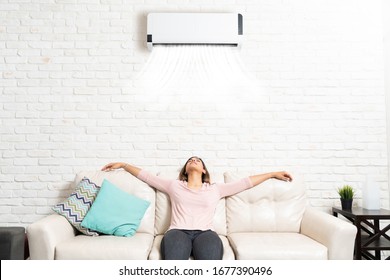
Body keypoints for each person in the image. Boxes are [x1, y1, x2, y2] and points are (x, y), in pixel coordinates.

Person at [101, 156, 292, 260]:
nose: (194, 160)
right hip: (177, 232)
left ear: (203, 170)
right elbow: (147, 176)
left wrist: (273, 174)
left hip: (205, 233)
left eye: (198, 160)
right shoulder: (174, 185)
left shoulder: (216, 189)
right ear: (185, 170)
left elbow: (246, 183)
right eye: (190, 160)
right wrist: (124, 165)